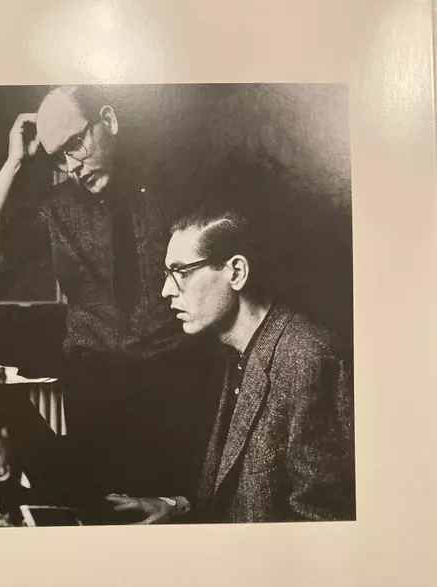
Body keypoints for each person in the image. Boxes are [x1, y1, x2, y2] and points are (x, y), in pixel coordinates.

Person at [0, 85, 214, 501]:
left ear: (108, 121)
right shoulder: (58, 209)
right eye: (58, 157)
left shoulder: (178, 188)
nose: (71, 165)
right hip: (94, 398)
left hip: (179, 391)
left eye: (75, 144)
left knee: (174, 514)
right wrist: (14, 163)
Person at [106, 205, 355, 523]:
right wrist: (175, 506)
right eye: (167, 274)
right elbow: (240, 497)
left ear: (236, 272)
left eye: (181, 272)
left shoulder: (310, 358)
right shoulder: (231, 351)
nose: (166, 291)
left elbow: (323, 524)